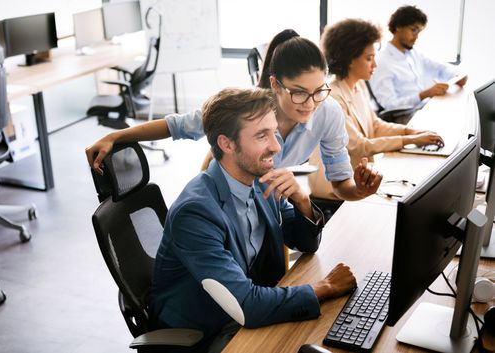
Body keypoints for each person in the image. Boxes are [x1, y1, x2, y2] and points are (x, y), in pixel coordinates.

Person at [148, 87, 357, 352]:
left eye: (274, 132)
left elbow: (305, 242)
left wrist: (301, 200)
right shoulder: (196, 212)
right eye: (262, 135)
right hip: (210, 331)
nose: (276, 146)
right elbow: (247, 304)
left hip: (245, 314)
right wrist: (325, 287)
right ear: (227, 144)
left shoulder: (259, 180)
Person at [86, 29, 382, 203]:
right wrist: (116, 135)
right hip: (223, 190)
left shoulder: (327, 112)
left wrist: (362, 190)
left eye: (319, 90)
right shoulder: (243, 108)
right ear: (275, 84)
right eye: (299, 92)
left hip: (266, 199)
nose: (310, 103)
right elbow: (174, 126)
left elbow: (341, 185)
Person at [308, 19, 444, 202]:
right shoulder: (332, 98)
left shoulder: (358, 86)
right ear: (349, 59)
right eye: (369, 58)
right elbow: (359, 146)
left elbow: (375, 124)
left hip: (359, 179)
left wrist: (409, 131)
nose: (375, 65)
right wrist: (410, 140)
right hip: (335, 188)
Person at [368, 5, 467, 112]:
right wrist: (424, 94)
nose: (416, 36)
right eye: (413, 30)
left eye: (419, 32)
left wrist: (457, 76)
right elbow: (389, 105)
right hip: (403, 117)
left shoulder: (414, 54)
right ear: (398, 27)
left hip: (422, 109)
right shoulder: (382, 61)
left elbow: (441, 68)